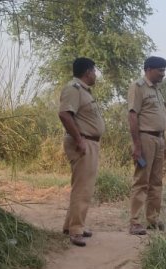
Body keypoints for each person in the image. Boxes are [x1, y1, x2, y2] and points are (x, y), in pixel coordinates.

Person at [58, 57, 104, 247]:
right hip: (82, 143)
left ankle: (72, 225)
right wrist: (79, 139)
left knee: (84, 186)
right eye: (94, 71)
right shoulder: (73, 89)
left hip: (89, 142)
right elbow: (64, 114)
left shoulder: (84, 91)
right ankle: (76, 230)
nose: (95, 75)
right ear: (87, 72)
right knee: (82, 187)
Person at [127, 56, 166, 235]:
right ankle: (135, 221)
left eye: (164, 70)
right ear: (149, 69)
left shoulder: (158, 91)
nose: (163, 74)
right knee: (141, 181)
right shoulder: (138, 87)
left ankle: (152, 219)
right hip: (145, 139)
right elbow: (133, 115)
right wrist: (137, 145)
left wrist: (164, 141)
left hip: (159, 139)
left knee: (156, 182)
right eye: (160, 70)